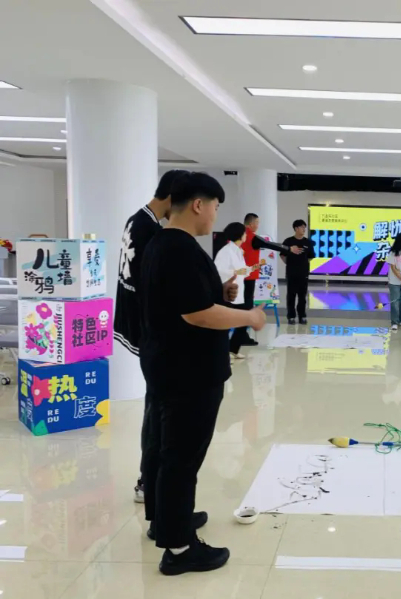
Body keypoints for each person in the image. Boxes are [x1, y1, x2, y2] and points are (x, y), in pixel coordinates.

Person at [139, 172, 268, 576]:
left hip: (168, 364)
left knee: (166, 449)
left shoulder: (163, 243)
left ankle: (166, 519)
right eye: (215, 206)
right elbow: (196, 314)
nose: (215, 215)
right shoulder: (179, 249)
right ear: (198, 204)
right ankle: (179, 548)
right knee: (182, 456)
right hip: (188, 372)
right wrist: (249, 316)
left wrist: (220, 292)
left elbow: (186, 300)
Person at [114, 169, 188, 505]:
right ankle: (148, 482)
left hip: (142, 327)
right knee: (158, 413)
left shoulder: (137, 220)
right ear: (173, 197)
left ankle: (149, 481)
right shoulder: (151, 230)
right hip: (152, 332)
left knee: (155, 407)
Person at [214, 222, 265, 360]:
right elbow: (218, 271)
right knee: (226, 325)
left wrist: (253, 268)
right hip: (229, 293)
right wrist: (236, 272)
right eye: (244, 233)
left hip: (238, 292)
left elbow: (242, 270)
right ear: (239, 235)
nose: (246, 236)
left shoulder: (238, 251)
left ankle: (233, 349)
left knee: (243, 322)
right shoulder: (226, 251)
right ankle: (223, 354)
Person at [240, 213, 270, 345]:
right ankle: (241, 335)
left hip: (240, 276)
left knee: (242, 304)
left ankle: (241, 334)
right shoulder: (252, 237)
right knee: (247, 305)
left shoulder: (239, 236)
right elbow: (270, 245)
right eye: (257, 223)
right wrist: (288, 249)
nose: (258, 225)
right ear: (251, 224)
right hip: (249, 276)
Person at [281, 219, 316, 325]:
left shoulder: (308, 242)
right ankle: (291, 316)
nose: (304, 229)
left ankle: (302, 316)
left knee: (302, 296)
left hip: (303, 273)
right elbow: (282, 255)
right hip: (291, 272)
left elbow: (311, 256)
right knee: (291, 295)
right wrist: (290, 263)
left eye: (305, 227)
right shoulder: (288, 241)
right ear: (296, 228)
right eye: (302, 227)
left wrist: (303, 264)